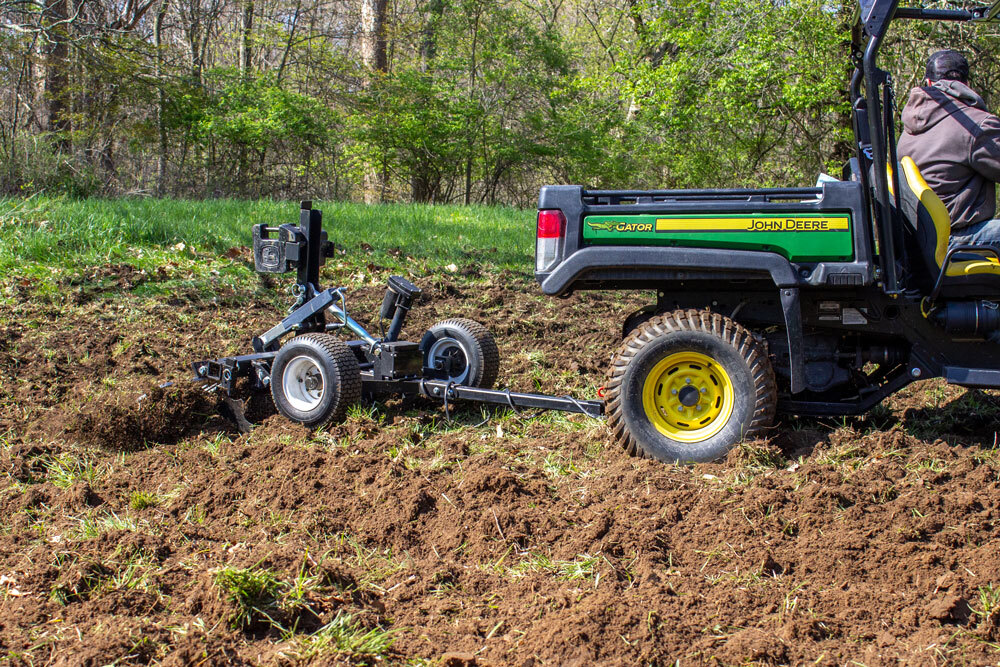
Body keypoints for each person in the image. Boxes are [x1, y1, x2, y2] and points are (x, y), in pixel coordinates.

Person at [897, 49, 1000, 247]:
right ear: (966, 85)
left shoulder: (908, 129)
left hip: (922, 240)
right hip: (957, 237)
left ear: (927, 83)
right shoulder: (975, 125)